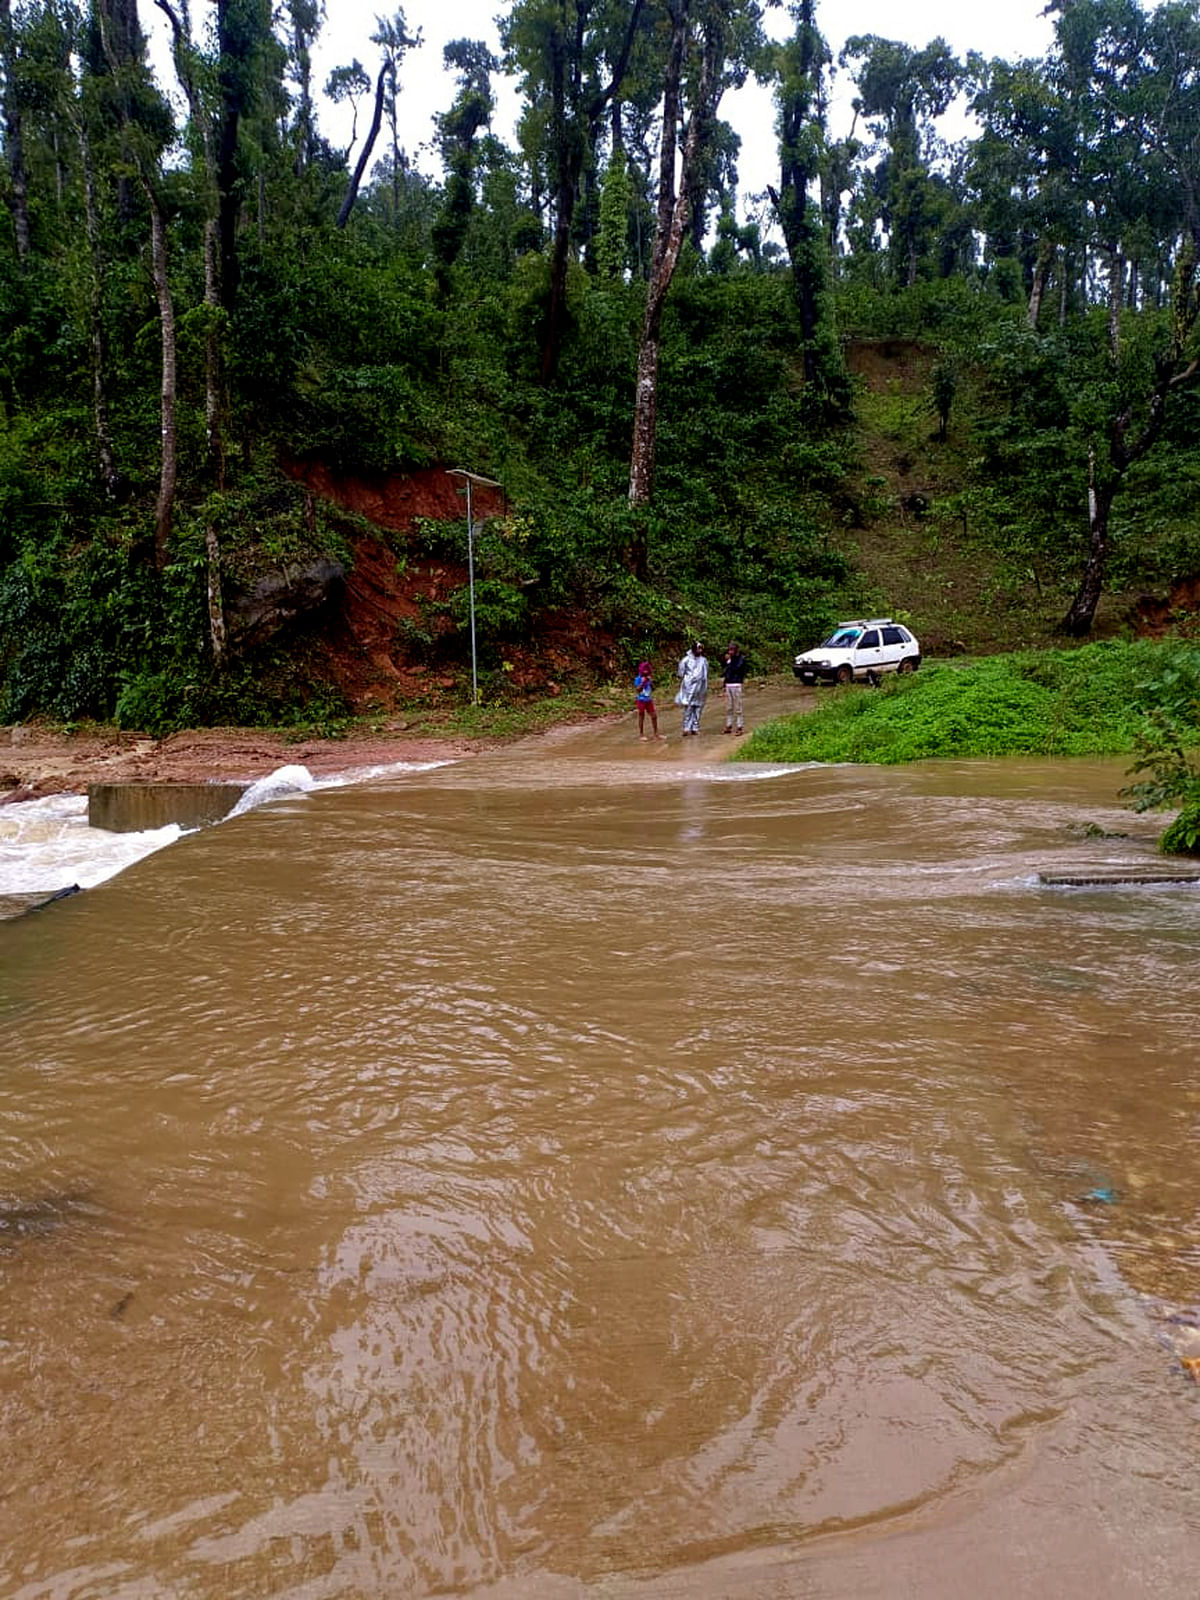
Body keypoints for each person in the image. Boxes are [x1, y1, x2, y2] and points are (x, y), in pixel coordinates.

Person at [676, 642, 708, 736]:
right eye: (698, 649)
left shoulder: (703, 660)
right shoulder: (686, 660)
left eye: (701, 649)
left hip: (700, 687)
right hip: (689, 687)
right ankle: (686, 727)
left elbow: (705, 673)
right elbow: (681, 672)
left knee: (698, 707)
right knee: (688, 707)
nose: (700, 651)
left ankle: (695, 727)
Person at [721, 642, 748, 735]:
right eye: (729, 650)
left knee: (738, 707)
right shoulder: (730, 660)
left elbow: (736, 669)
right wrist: (724, 684)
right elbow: (727, 671)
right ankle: (729, 725)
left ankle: (739, 726)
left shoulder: (741, 659)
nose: (730, 652)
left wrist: (729, 662)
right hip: (729, 684)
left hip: (736, 684)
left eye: (732, 650)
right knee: (729, 707)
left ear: (736, 650)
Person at [634, 660, 663, 740]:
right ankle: (641, 734)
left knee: (654, 716)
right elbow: (638, 690)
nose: (646, 671)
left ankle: (656, 733)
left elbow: (653, 688)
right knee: (641, 716)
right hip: (641, 700)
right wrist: (642, 683)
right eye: (644, 670)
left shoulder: (649, 678)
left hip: (649, 700)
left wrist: (650, 681)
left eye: (647, 670)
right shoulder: (638, 679)